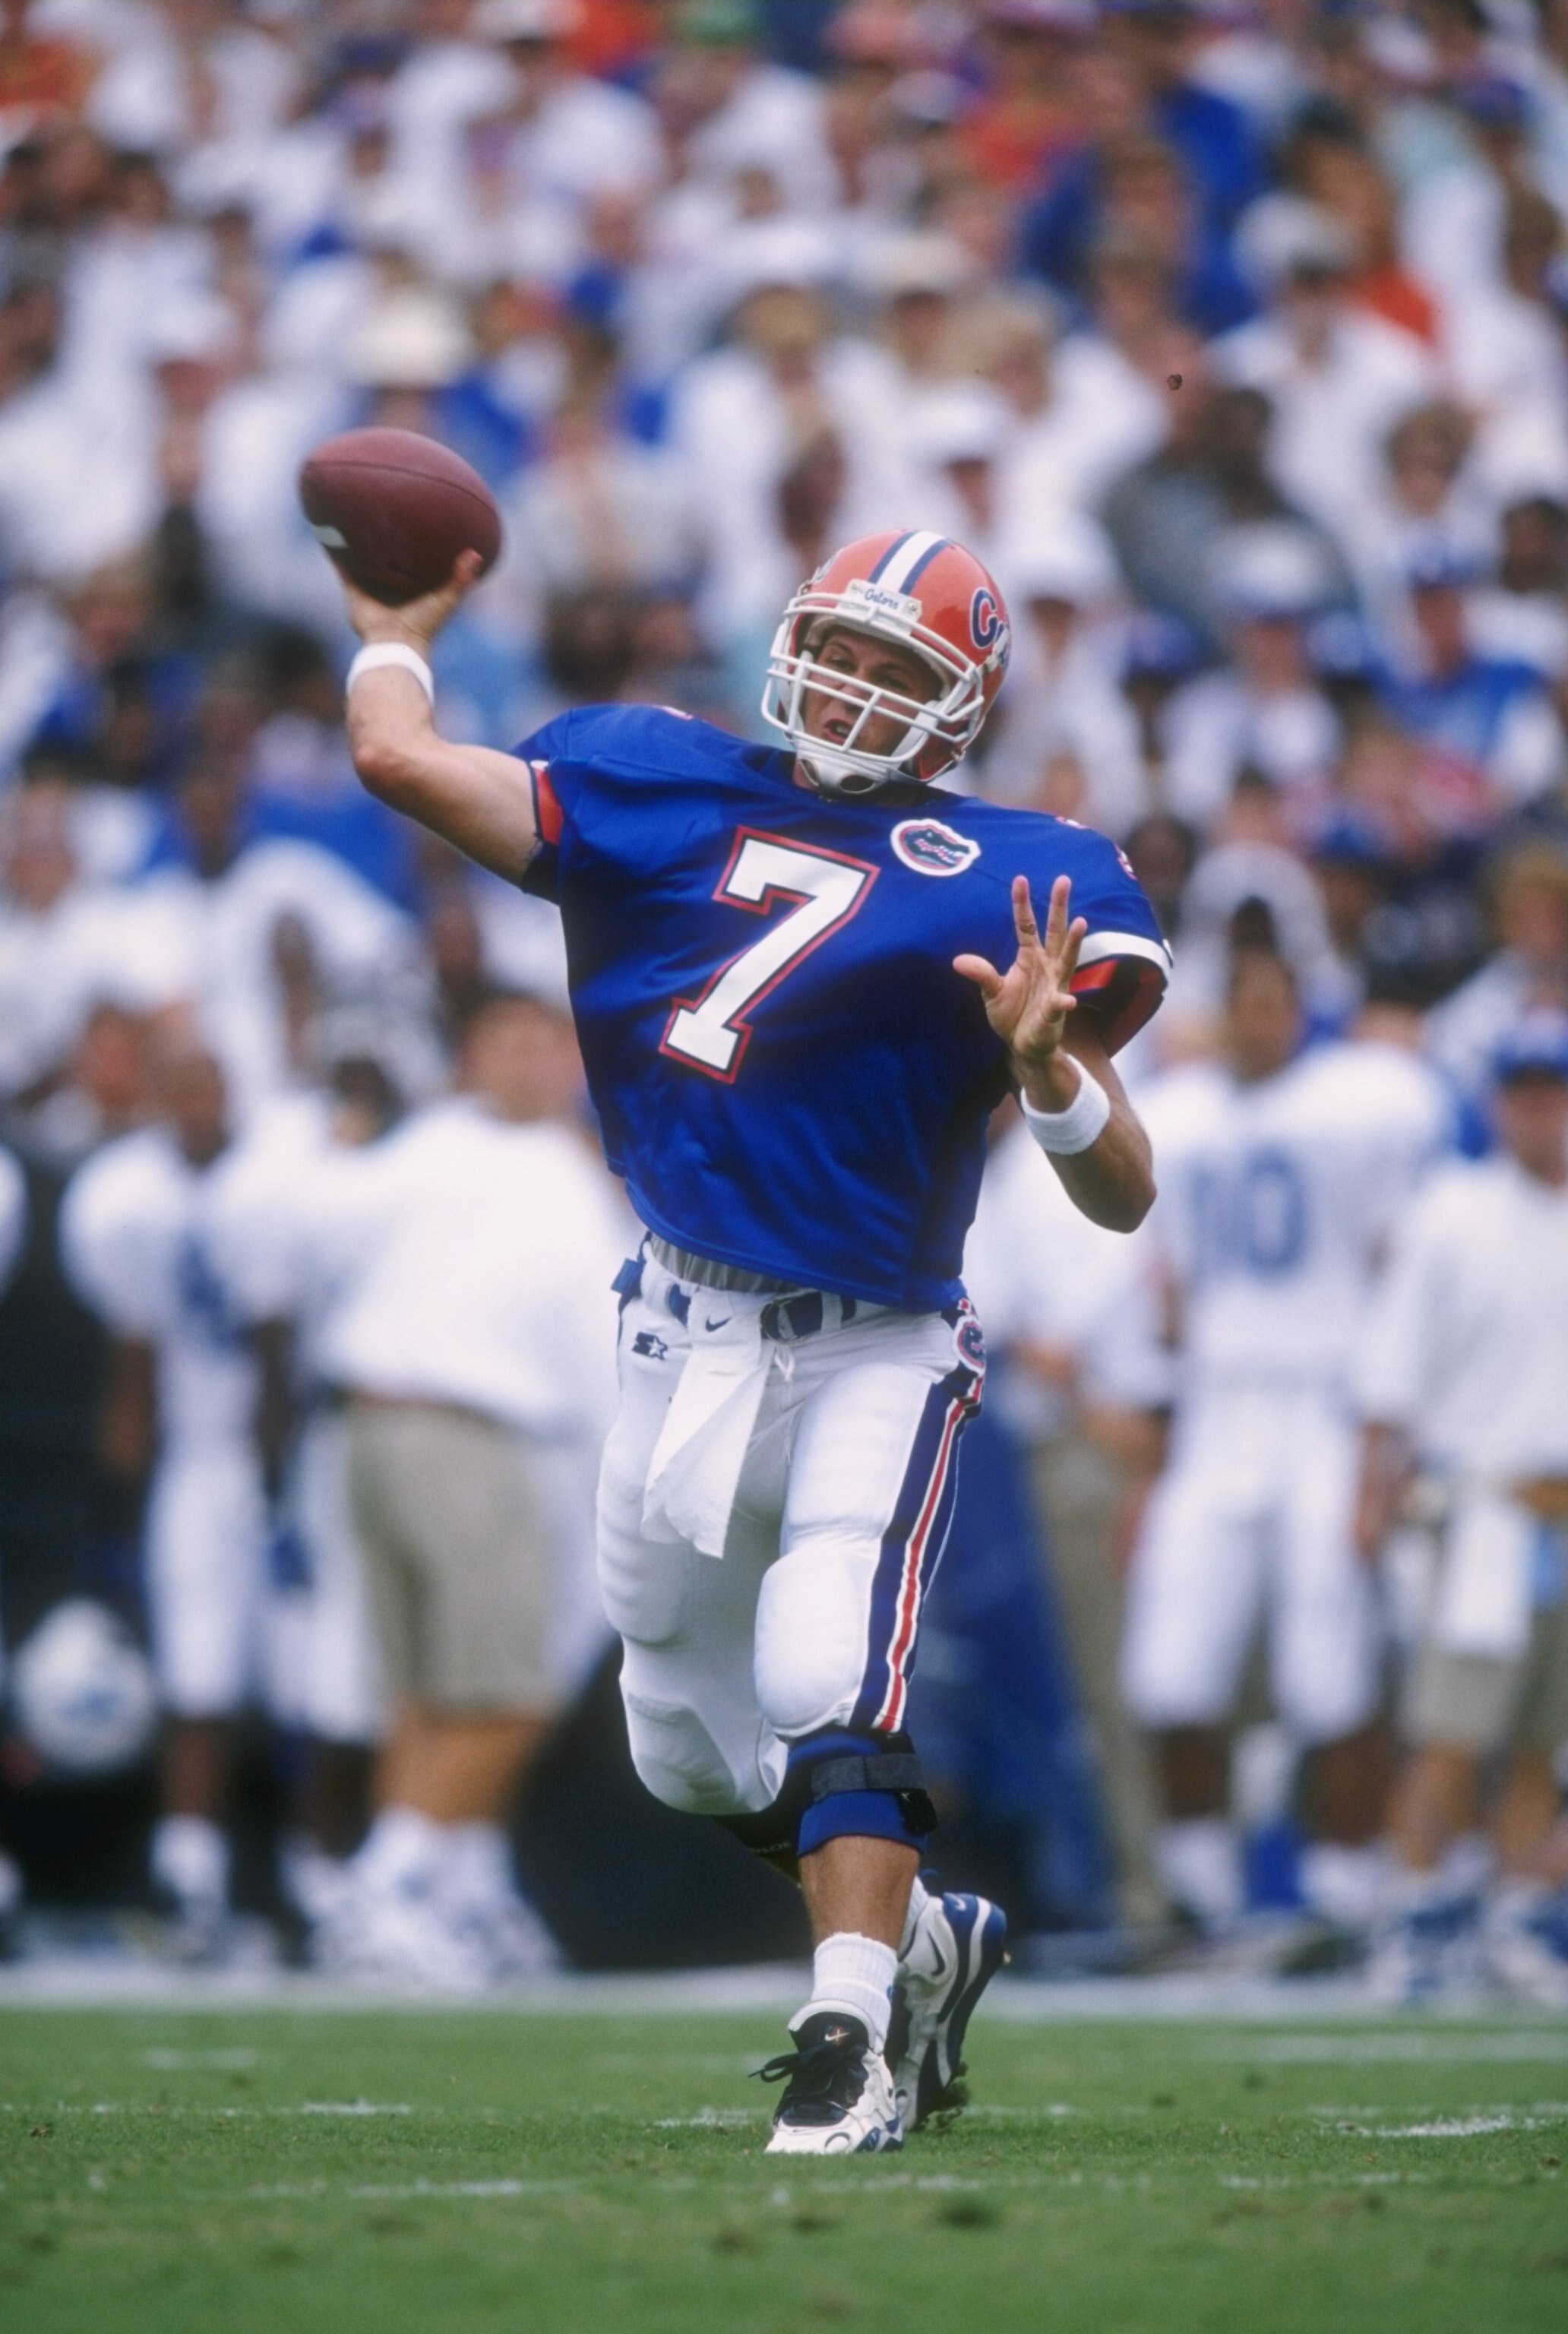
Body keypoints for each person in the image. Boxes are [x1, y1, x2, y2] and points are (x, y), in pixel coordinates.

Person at [334, 521, 1167, 2149]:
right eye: (840, 649)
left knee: (824, 1675)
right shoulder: (646, 770)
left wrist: (1052, 1072)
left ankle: (849, 2033)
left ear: (958, 706)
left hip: (876, 1338)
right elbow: (395, 753)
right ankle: (924, 1941)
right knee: (687, 1755)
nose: (853, 686)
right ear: (788, 639)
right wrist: (390, 625)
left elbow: (1128, 1195)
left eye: (895, 668)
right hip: (672, 1330)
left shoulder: (1017, 867)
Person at [1120, 946, 1449, 1940]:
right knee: (1171, 1663)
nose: (1258, 1022)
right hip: (1216, 1410)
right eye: (1244, 1004)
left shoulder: (1367, 1100)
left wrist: (1386, 1442)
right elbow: (1164, 1298)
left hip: (1324, 1406)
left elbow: (1405, 1262)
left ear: (1306, 1011)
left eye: (1276, 1004)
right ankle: (1199, 1889)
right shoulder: (1177, 1113)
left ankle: (1346, 1890)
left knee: (1330, 1666)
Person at [1356, 1014, 1568, 2006]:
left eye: (1554, 1090)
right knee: (1451, 1728)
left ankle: (1517, 1920)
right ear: (1499, 1102)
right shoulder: (1453, 1213)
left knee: (1541, 1735)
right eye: (1526, 1091)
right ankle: (1409, 1913)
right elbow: (1392, 1373)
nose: (1542, 1110)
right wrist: (1375, 1491)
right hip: (1484, 1512)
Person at [58, 1039, 270, 1959]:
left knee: (319, 1684)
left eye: (208, 1083)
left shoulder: (277, 1186)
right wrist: (119, 1507)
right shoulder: (128, 1203)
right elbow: (133, 1365)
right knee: (200, 1672)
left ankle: (317, 1880)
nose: (195, 1104)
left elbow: (289, 1346)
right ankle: (193, 1878)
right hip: (200, 1456)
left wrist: (283, 1473)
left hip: (285, 1455)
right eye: (177, 1086)